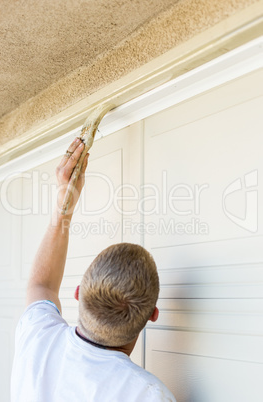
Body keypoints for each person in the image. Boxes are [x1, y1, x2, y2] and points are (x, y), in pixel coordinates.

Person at [11, 137, 176, 401]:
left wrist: (64, 205)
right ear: (152, 316)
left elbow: (41, 285)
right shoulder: (149, 394)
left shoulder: (38, 337)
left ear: (78, 292)